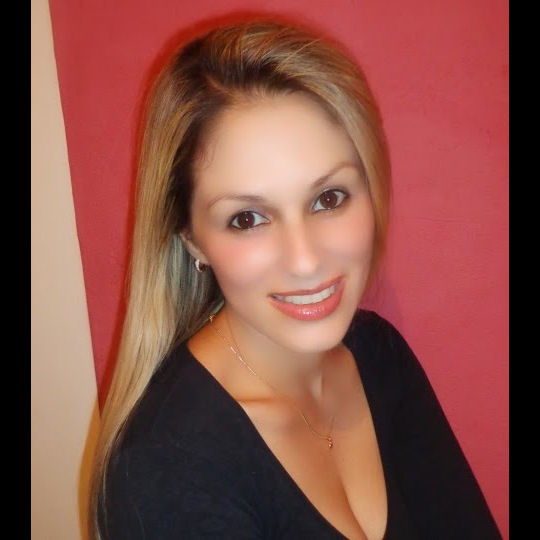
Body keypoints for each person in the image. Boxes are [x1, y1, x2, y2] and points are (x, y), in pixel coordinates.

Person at [90, 19, 502, 540]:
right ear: (191, 239)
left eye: (328, 198)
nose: (305, 260)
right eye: (247, 218)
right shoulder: (164, 471)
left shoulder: (379, 356)